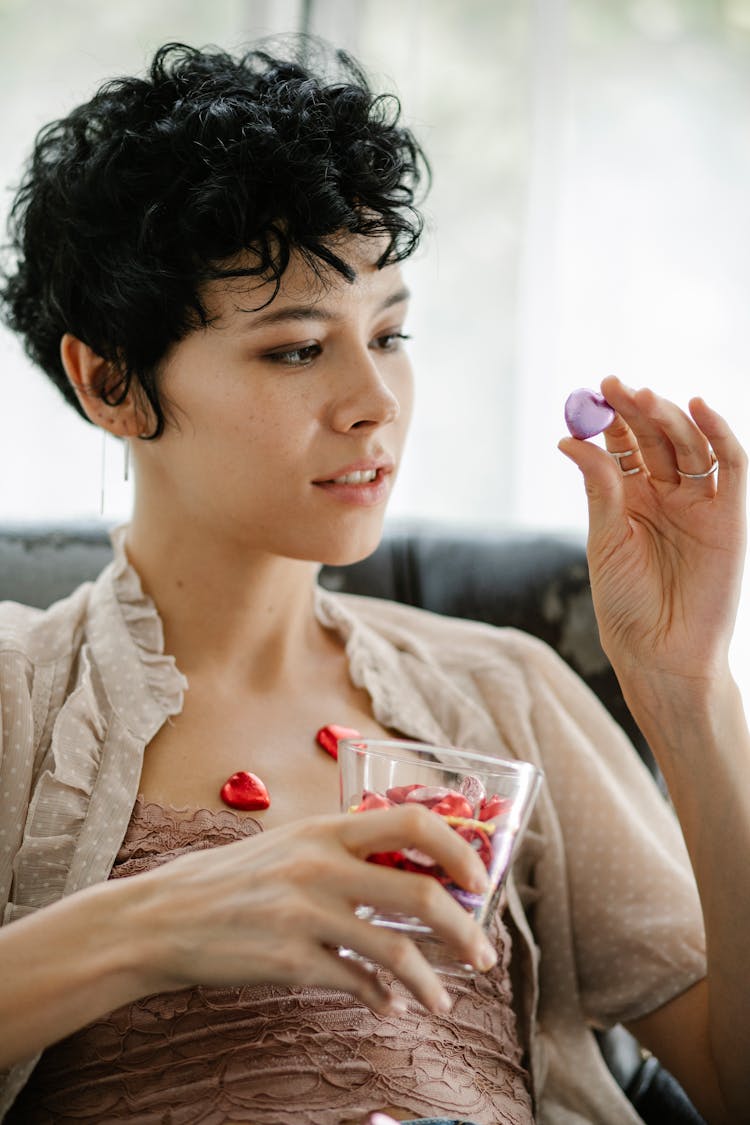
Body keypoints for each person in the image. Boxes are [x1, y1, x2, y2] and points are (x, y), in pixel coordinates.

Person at [0, 36, 747, 1125]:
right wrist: (153, 924)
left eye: (391, 334)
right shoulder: (18, 699)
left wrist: (690, 694)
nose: (375, 401)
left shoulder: (507, 691)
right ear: (112, 381)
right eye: (297, 349)